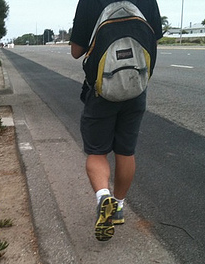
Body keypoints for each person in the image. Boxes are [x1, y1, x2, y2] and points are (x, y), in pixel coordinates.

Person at [70, 0, 163, 241]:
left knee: (97, 152)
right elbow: (153, 38)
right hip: (135, 87)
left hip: (102, 89)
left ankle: (103, 197)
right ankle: (119, 206)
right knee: (125, 151)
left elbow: (76, 51)